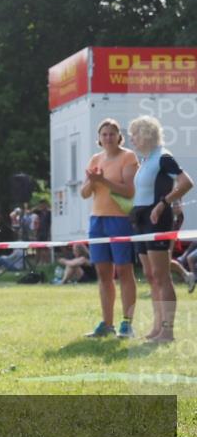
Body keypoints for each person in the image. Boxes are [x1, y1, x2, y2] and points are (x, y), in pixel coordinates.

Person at [128, 116, 194, 343]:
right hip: (141, 220)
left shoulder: (164, 157)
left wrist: (163, 203)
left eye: (135, 134)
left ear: (146, 134)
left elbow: (186, 182)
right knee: (150, 275)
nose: (132, 139)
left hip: (157, 219)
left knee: (161, 276)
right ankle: (157, 327)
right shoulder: (145, 159)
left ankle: (168, 331)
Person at [80, 118, 139, 338]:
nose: (108, 138)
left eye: (111, 134)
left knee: (124, 270)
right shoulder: (95, 158)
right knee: (103, 274)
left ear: (118, 136)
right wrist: (93, 181)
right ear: (99, 138)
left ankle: (127, 323)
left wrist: (104, 181)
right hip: (97, 220)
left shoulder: (128, 157)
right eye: (104, 134)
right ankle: (107, 323)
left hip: (119, 220)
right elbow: (84, 193)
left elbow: (129, 191)